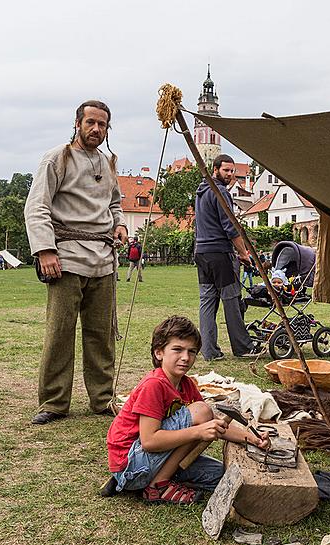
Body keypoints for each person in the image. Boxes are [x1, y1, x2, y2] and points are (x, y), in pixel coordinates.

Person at [24, 100, 128, 425]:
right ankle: (54, 402)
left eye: (103, 125)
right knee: (60, 333)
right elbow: (37, 205)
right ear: (78, 123)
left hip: (102, 259)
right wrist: (45, 250)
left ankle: (102, 399)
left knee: (101, 335)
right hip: (65, 256)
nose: (96, 129)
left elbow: (114, 203)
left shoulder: (108, 162)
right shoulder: (57, 157)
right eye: (91, 123)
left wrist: (120, 223)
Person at [102, 315, 269, 502]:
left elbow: (213, 422)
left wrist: (252, 439)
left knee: (225, 476)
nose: (185, 358)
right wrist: (197, 432)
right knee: (202, 411)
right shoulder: (154, 385)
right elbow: (149, 441)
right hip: (132, 464)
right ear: (159, 353)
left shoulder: (186, 384)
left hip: (158, 460)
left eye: (192, 351)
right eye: (177, 350)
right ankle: (158, 486)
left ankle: (162, 477)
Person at [194, 154, 261, 360]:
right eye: (226, 170)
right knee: (231, 300)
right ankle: (243, 348)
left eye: (233, 171)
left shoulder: (201, 190)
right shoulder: (219, 191)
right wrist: (243, 253)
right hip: (220, 254)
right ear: (215, 170)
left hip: (201, 252)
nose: (230, 175)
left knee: (207, 301)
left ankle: (209, 351)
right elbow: (230, 227)